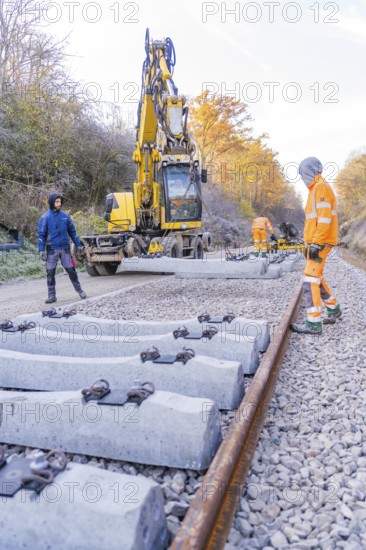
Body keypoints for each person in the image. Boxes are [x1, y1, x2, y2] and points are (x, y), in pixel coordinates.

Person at [290, 157, 341, 335]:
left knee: (310, 279)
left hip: (320, 243)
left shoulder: (321, 187)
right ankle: (334, 308)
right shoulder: (316, 189)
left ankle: (313, 323)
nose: (303, 178)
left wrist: (316, 244)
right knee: (315, 277)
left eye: (303, 173)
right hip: (317, 242)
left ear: (309, 170)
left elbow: (325, 220)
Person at [38, 192, 87, 303]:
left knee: (71, 271)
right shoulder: (45, 217)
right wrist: (41, 250)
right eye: (57, 202)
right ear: (52, 202)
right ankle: (52, 296)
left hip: (65, 249)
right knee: (50, 272)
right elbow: (41, 235)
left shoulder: (65, 216)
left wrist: (78, 245)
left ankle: (79, 290)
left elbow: (73, 232)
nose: (59, 203)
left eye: (60, 201)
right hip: (51, 249)